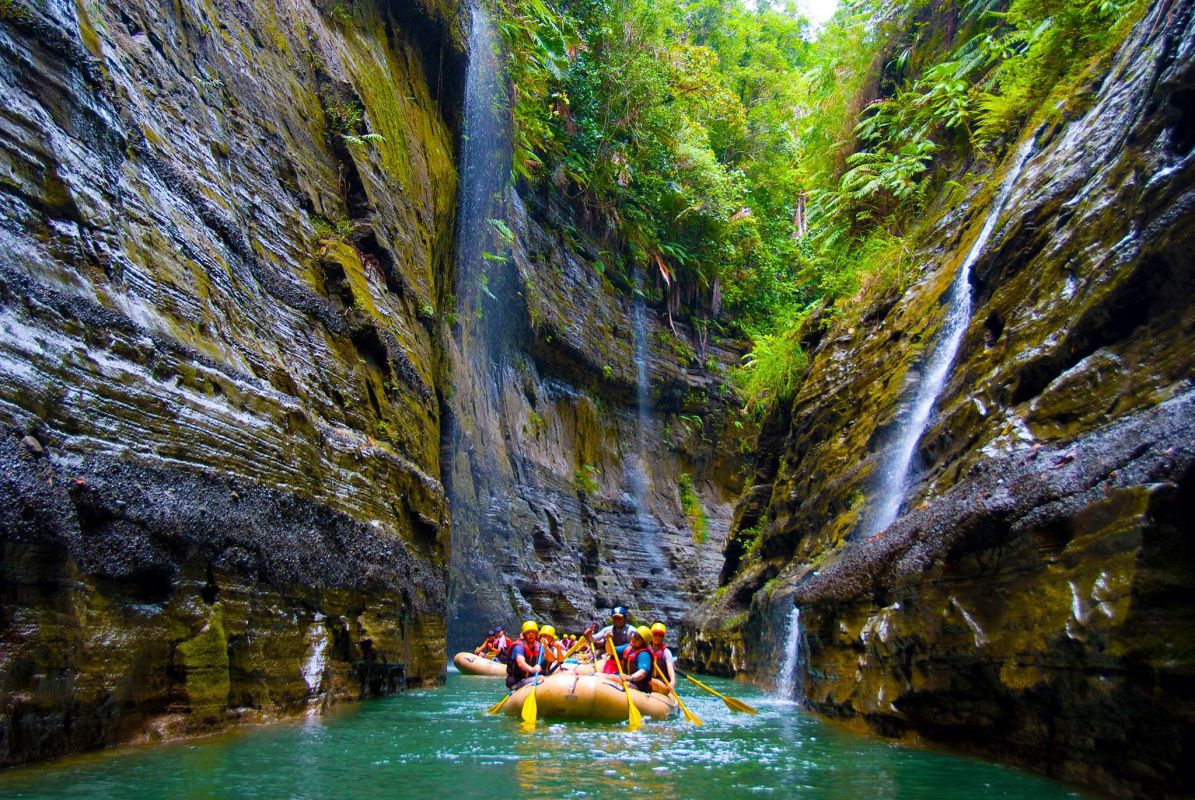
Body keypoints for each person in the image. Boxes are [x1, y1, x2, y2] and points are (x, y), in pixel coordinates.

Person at [589, 606, 633, 673]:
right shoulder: (608, 629)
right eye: (615, 618)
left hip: (627, 660)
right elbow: (593, 639)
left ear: (625, 618)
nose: (617, 620)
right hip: (613, 658)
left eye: (619, 618)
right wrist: (588, 635)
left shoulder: (631, 631)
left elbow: (635, 647)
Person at [617, 626, 655, 694]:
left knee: (613, 678)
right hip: (627, 680)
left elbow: (642, 672)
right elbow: (610, 650)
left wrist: (630, 678)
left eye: (638, 638)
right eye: (634, 634)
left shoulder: (644, 654)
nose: (634, 638)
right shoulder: (629, 647)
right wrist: (608, 640)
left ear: (644, 643)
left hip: (639, 687)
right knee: (609, 677)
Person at [505, 621, 543, 689]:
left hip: (529, 679)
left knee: (544, 678)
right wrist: (532, 669)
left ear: (536, 634)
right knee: (540, 679)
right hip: (516, 681)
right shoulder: (518, 647)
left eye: (533, 632)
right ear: (524, 634)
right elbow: (521, 663)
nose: (531, 634)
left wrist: (547, 648)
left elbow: (550, 659)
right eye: (528, 632)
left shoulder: (539, 646)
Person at [648, 622, 676, 689]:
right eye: (655, 635)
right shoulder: (646, 649)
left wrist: (672, 681)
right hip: (649, 680)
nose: (658, 637)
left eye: (660, 635)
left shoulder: (666, 652)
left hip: (662, 683)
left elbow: (670, 668)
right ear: (651, 635)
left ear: (663, 637)